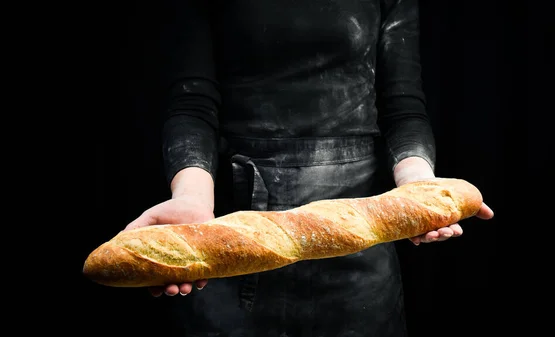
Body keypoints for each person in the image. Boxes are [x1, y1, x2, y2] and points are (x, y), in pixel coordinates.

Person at [124, 0, 494, 336]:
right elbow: (193, 103)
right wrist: (192, 198)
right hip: (232, 238)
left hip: (357, 243)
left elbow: (403, 107)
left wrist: (417, 189)